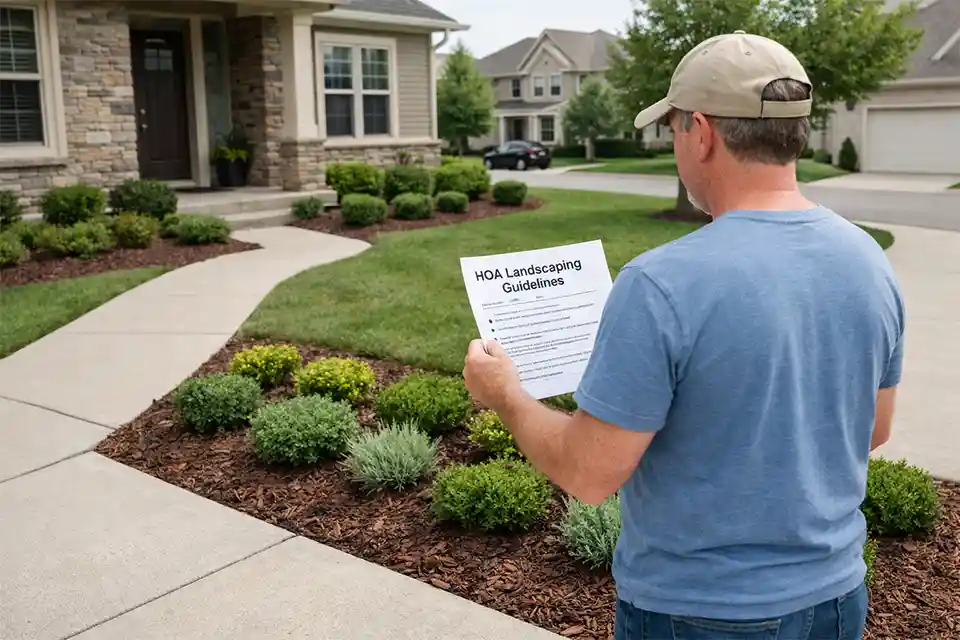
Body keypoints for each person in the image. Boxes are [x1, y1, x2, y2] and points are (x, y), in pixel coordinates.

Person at [462, 31, 904, 640]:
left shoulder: (661, 283)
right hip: (835, 600)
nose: (675, 144)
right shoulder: (869, 259)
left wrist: (505, 394)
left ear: (702, 130)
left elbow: (591, 474)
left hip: (698, 613)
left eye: (672, 129)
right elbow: (873, 430)